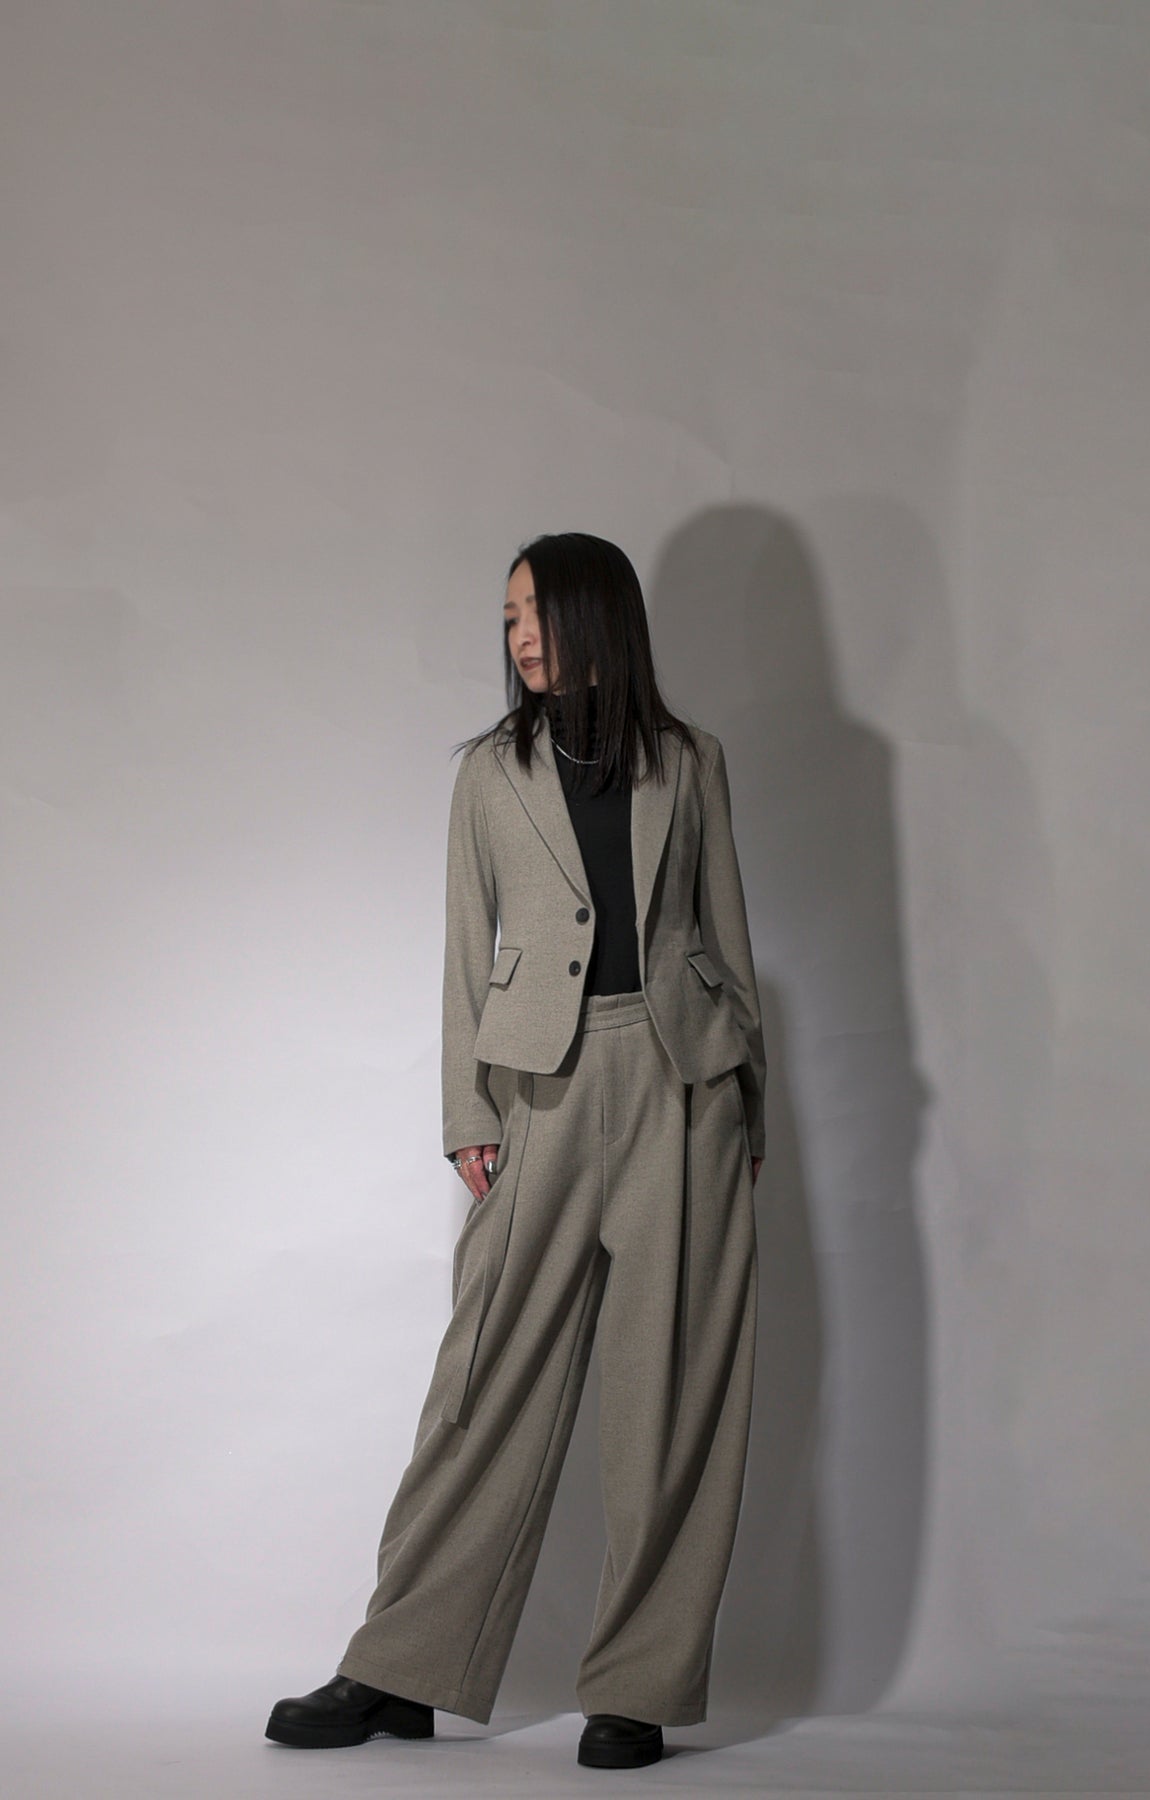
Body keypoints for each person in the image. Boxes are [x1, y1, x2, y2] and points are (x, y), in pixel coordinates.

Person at [266, 532, 766, 1771]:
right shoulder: (491, 773)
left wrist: (746, 1104)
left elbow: (726, 936)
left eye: (535, 612)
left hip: (680, 1085)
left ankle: (636, 1686)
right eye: (507, 619)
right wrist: (467, 1114)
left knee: (668, 1394)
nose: (519, 637)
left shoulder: (689, 761)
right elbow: (462, 949)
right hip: (537, 1087)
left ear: (599, 618)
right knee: (483, 1384)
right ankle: (399, 1669)